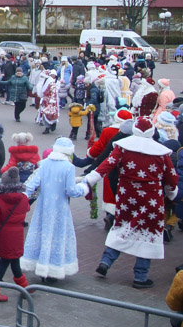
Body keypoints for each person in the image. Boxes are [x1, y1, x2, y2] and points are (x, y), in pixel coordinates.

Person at [84, 117, 179, 289]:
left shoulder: (123, 148)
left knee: (122, 226)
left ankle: (106, 261)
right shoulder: (162, 154)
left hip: (127, 196)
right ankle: (140, 277)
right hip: (152, 200)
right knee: (148, 234)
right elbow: (171, 178)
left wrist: (88, 180)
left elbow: (106, 165)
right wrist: (171, 194)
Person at [20, 137, 86, 282]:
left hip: (43, 208)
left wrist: (21, 197)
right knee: (57, 236)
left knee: (42, 234)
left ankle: (41, 266)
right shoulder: (68, 167)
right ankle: (52, 269)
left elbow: (31, 185)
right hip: (60, 210)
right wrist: (84, 187)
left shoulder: (44, 164)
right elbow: (71, 191)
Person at [0, 167, 30, 302]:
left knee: (6, 261)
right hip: (17, 235)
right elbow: (27, 208)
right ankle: (24, 287)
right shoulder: (23, 198)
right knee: (13, 259)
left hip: (4, 234)